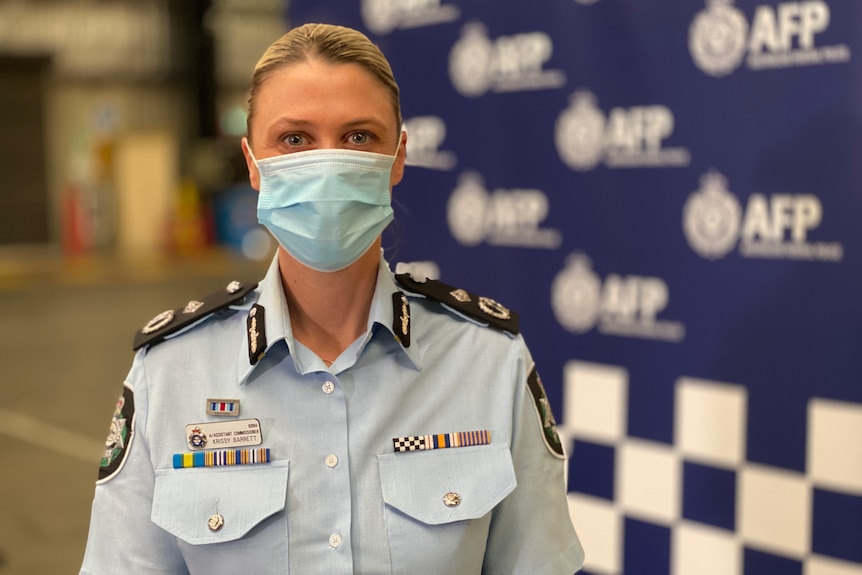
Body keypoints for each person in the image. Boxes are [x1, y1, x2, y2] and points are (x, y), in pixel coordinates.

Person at [80, 22, 584, 574]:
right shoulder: (170, 372)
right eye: (294, 140)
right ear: (253, 163)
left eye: (358, 137)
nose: (327, 164)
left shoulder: (486, 361)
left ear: (398, 157)